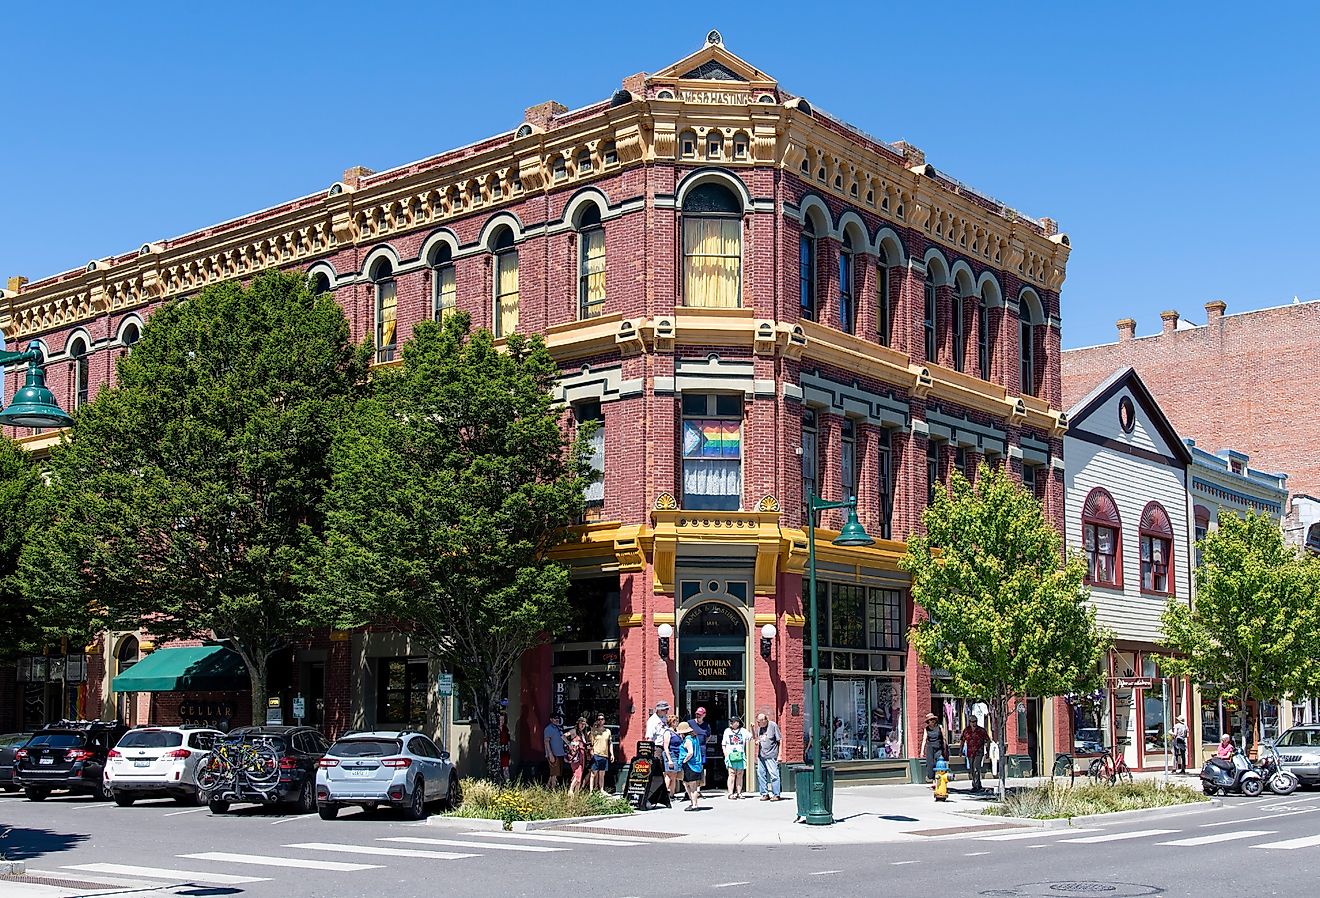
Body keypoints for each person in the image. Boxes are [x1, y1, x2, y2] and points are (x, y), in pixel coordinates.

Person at [754, 711, 783, 801]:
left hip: (771, 755)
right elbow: (759, 738)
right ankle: (764, 793)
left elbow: (780, 740)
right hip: (761, 755)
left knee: (774, 774)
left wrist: (780, 755)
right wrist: (757, 741)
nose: (757, 723)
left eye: (759, 722)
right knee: (761, 774)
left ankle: (776, 794)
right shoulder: (760, 729)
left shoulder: (773, 726)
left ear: (764, 720)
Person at [721, 716, 751, 799]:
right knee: (731, 774)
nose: (731, 723)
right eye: (731, 721)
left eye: (733, 721)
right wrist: (726, 755)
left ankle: (739, 792)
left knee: (740, 774)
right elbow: (723, 744)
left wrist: (752, 728)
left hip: (740, 755)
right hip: (730, 755)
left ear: (737, 723)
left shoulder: (743, 731)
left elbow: (751, 737)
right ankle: (730, 793)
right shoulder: (727, 731)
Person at [677, 721, 704, 811]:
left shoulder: (688, 739)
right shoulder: (694, 737)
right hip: (695, 764)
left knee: (692, 786)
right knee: (687, 784)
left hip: (690, 765)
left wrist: (684, 760)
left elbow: (690, 752)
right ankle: (692, 803)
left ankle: (694, 805)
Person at [686, 706, 711, 796]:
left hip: (701, 750)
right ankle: (689, 789)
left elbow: (708, 736)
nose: (698, 716)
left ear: (704, 715)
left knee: (700, 769)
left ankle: (698, 789)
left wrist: (703, 743)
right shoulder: (690, 723)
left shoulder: (706, 725)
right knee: (690, 767)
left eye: (700, 715)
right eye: (697, 714)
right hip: (691, 750)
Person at [960, 715, 989, 792]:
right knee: (972, 769)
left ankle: (976, 785)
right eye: (972, 722)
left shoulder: (981, 730)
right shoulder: (966, 731)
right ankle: (977, 784)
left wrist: (988, 751)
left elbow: (987, 740)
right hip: (970, 752)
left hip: (979, 752)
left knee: (976, 767)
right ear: (969, 722)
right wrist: (960, 751)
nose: (974, 723)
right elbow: (962, 741)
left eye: (975, 721)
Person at [922, 712, 948, 788]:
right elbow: (924, 740)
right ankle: (933, 780)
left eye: (933, 719)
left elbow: (944, 738)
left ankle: (938, 781)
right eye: (930, 720)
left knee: (939, 763)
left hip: (938, 747)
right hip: (930, 748)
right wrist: (922, 751)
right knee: (930, 764)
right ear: (928, 722)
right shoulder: (926, 729)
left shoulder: (939, 727)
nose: (932, 721)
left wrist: (945, 749)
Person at [589, 714, 614, 794]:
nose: (600, 720)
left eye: (602, 719)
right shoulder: (593, 731)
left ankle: (601, 789)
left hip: (605, 755)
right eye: (599, 719)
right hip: (596, 754)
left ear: (604, 720)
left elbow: (610, 743)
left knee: (602, 774)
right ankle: (591, 791)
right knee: (593, 774)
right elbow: (590, 743)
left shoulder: (608, 731)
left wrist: (612, 754)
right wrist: (591, 753)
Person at [543, 711, 566, 788]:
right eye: (555, 718)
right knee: (554, 773)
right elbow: (546, 742)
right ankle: (553, 789)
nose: (557, 720)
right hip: (553, 754)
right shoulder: (548, 729)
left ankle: (547, 787)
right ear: (551, 719)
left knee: (555, 772)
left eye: (558, 718)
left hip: (560, 753)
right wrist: (550, 754)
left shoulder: (558, 728)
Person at [663, 714, 683, 799]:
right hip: (671, 754)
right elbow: (666, 747)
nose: (677, 723)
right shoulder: (668, 732)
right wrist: (669, 759)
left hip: (677, 754)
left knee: (674, 775)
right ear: (672, 722)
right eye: (676, 721)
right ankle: (665, 793)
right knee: (669, 775)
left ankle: (671, 794)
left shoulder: (677, 732)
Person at [568, 716, 590, 793]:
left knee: (580, 773)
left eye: (584, 724)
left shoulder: (583, 733)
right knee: (578, 772)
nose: (583, 726)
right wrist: (570, 744)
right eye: (581, 724)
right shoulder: (574, 731)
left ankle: (576, 792)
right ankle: (570, 790)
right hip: (575, 755)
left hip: (582, 754)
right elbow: (563, 736)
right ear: (578, 723)